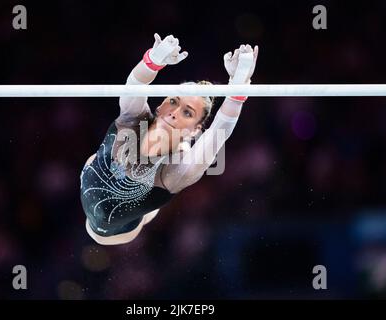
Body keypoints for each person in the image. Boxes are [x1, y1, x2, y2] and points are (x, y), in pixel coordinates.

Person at [80, 33, 259, 245]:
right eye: (173, 101)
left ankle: (148, 211)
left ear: (195, 130)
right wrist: (153, 60)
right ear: (161, 104)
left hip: (113, 232)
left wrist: (238, 88)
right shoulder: (133, 118)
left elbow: (220, 130)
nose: (174, 112)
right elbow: (135, 83)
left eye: (187, 113)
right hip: (98, 171)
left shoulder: (177, 171)